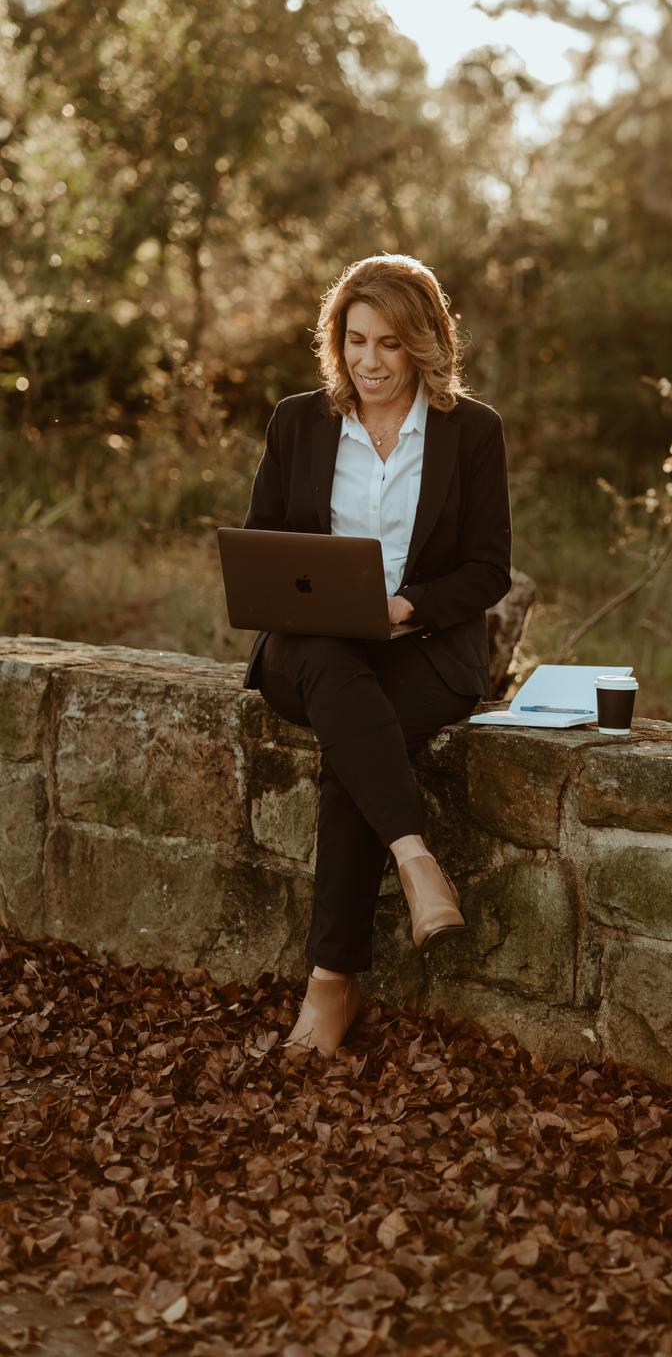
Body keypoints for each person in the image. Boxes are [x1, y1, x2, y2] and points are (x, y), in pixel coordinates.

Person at [242, 253, 512, 1056]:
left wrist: (407, 605)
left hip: (423, 654)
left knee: (353, 742)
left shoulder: (473, 432)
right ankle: (415, 856)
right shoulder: (298, 421)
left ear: (424, 344)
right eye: (355, 339)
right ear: (337, 342)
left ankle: (332, 980)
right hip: (310, 651)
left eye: (389, 343)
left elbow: (487, 569)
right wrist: (318, 600)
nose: (369, 361)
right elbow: (261, 550)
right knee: (331, 663)